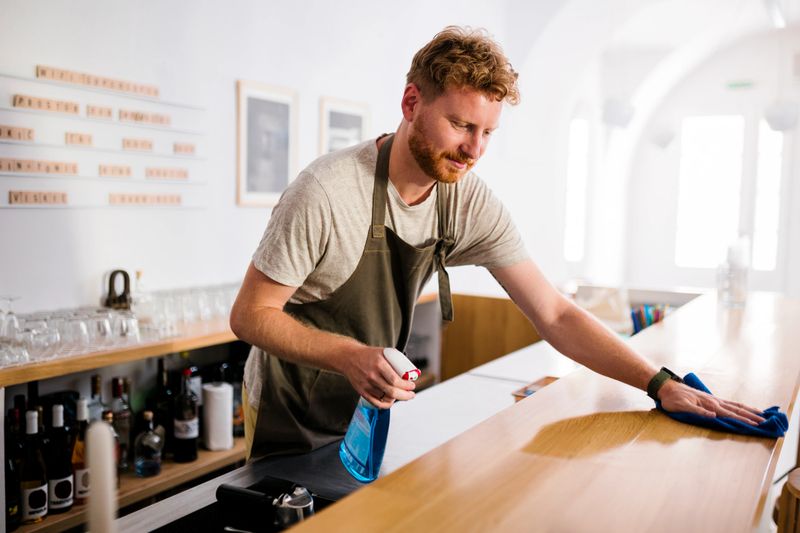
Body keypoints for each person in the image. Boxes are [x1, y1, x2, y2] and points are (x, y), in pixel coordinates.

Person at [230, 26, 764, 461]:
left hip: (364, 412)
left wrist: (659, 383)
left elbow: (553, 312)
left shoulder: (464, 199)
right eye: (460, 124)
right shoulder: (327, 191)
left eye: (488, 132)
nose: (473, 150)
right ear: (411, 102)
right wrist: (350, 356)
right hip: (288, 412)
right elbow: (251, 315)